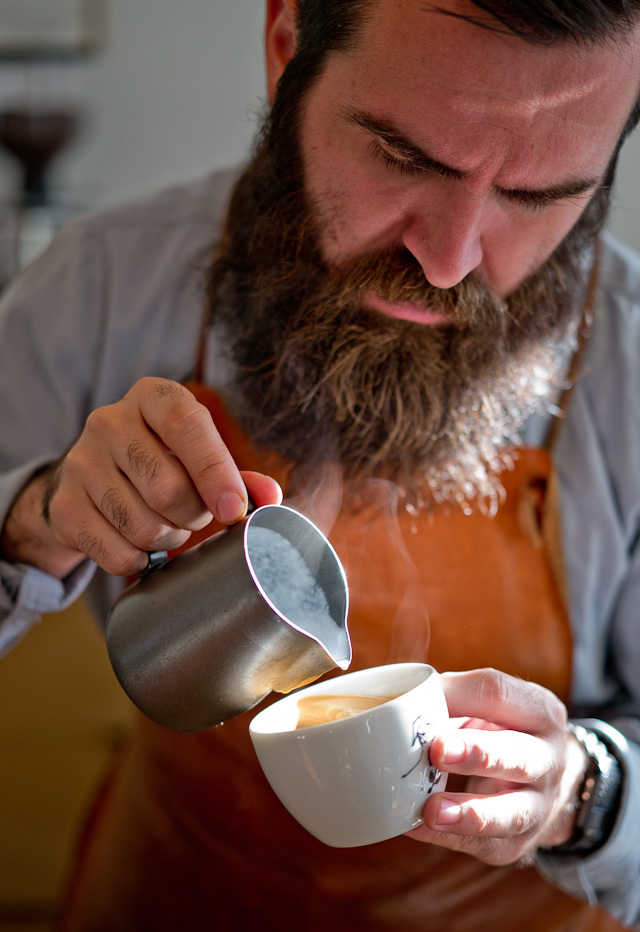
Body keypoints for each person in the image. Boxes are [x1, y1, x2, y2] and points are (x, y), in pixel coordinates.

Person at [1, 0, 640, 928]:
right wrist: (31, 524)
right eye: (406, 157)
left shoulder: (626, 360)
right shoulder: (106, 286)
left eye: (537, 196)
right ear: (285, 45)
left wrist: (587, 789)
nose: (450, 259)